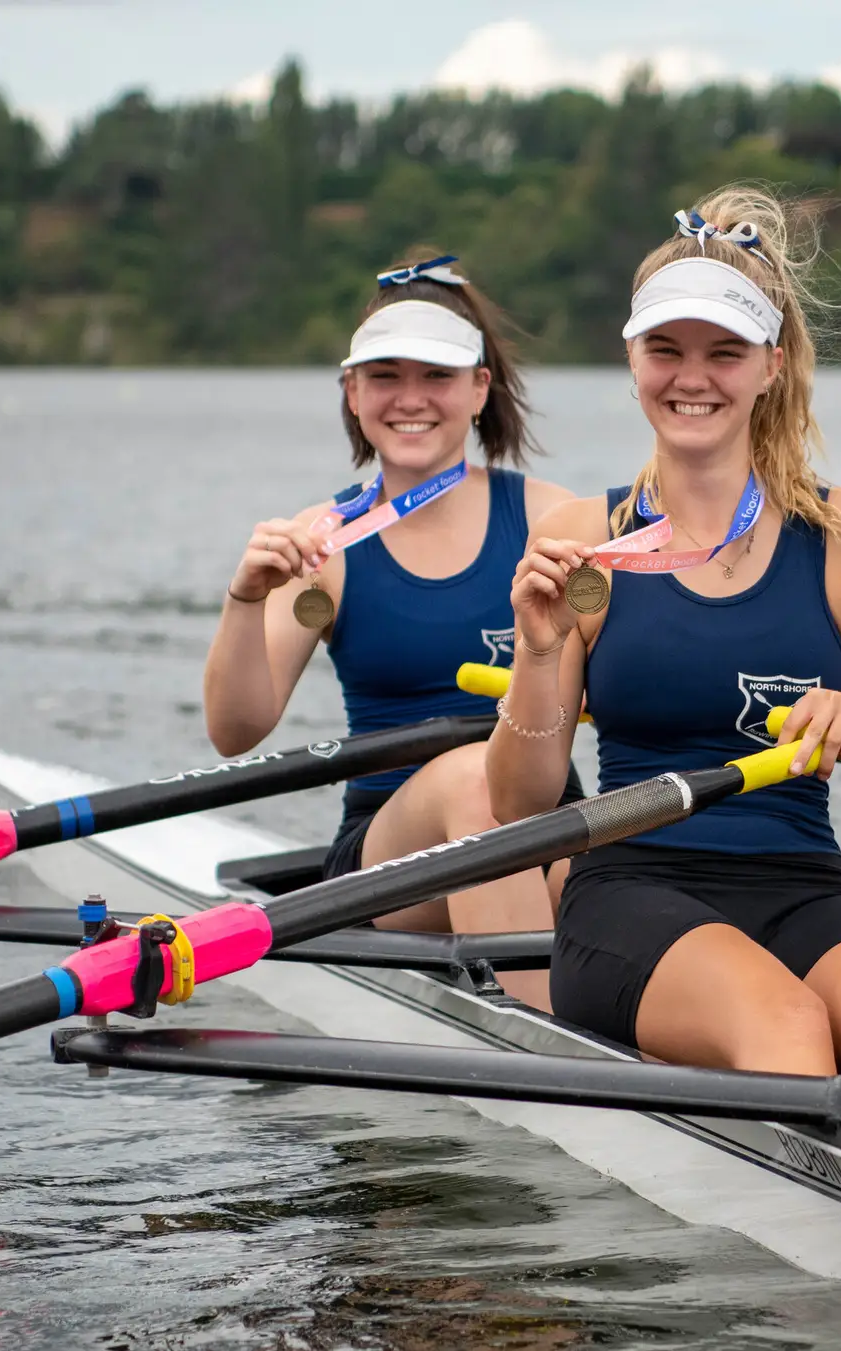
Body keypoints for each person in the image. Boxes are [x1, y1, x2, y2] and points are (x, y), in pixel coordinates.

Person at [488, 190, 841, 1189]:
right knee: (788, 1018)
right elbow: (518, 807)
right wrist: (536, 650)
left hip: (801, 887)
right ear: (631, 360)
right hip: (629, 894)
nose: (690, 378)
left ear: (769, 366)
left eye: (722, 353)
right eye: (666, 350)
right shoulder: (583, 537)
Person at [205, 254, 573, 1009]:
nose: (411, 400)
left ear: (479, 389)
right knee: (477, 776)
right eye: (385, 376)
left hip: (549, 823)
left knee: (631, 850)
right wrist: (245, 600)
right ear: (352, 392)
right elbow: (235, 729)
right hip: (391, 860)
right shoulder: (321, 551)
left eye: (436, 376)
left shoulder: (552, 518)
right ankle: (560, 1053)